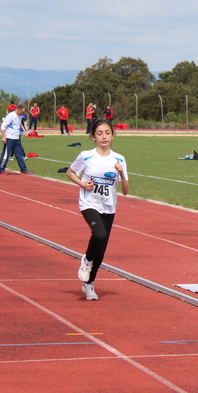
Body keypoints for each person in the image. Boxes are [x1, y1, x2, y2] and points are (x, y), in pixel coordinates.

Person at [67, 119, 129, 301]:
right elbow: (70, 172)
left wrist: (121, 174)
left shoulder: (119, 159)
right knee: (99, 235)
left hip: (109, 206)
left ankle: (89, 284)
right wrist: (81, 183)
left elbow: (125, 191)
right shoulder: (86, 156)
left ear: (113, 135)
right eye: (100, 133)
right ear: (93, 137)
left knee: (101, 250)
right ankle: (86, 261)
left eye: (107, 133)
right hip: (89, 203)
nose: (104, 136)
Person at [0, 104, 31, 175]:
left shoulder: (19, 116)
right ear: (18, 109)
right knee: (6, 154)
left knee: (19, 154)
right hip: (9, 137)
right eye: (22, 112)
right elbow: (3, 126)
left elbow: (19, 124)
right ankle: (1, 169)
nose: (22, 114)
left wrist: (25, 131)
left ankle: (23, 169)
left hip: (16, 137)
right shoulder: (11, 115)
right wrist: (3, 137)